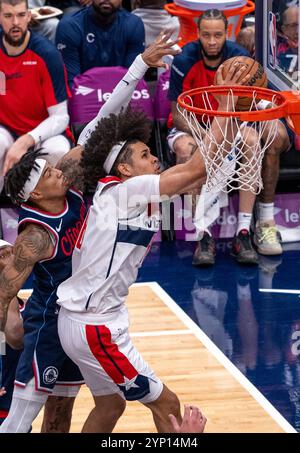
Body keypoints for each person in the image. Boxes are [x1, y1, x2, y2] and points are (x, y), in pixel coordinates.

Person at [0, 32, 182, 433]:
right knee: (19, 421)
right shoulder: (36, 232)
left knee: (69, 413)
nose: (57, 169)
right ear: (35, 192)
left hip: (78, 315)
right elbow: (5, 288)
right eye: (47, 172)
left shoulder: (74, 183)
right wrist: (11, 326)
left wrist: (140, 64)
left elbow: (104, 120)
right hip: (50, 321)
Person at [55, 62, 250, 432]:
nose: (155, 158)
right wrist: (225, 100)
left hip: (91, 320)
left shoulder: (119, 194)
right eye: (145, 155)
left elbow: (198, 170)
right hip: (94, 326)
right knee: (169, 406)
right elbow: (195, 170)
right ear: (124, 169)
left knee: (110, 406)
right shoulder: (125, 191)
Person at [168, 8, 290, 265]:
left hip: (231, 122)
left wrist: (223, 134)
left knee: (253, 142)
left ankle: (243, 233)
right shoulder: (184, 60)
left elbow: (248, 106)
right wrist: (206, 136)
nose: (212, 41)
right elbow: (177, 115)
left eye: (218, 35)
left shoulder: (240, 59)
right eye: (206, 35)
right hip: (192, 125)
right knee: (188, 151)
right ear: (197, 34)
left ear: (227, 33)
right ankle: (203, 235)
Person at [0, 240, 78, 432]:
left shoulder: (23, 304)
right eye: (3, 255)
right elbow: (16, 339)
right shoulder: (6, 305)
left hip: (12, 399)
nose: (12, 259)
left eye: (13, 253)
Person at [0, 0, 72, 193]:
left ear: (29, 16)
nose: (15, 22)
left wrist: (26, 140)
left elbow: (60, 116)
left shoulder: (47, 54)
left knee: (58, 151)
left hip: (44, 131)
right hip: (6, 128)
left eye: (21, 15)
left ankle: (55, 212)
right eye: (8, 16)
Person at [55, 0, 145, 87]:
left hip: (121, 94)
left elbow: (133, 78)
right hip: (83, 94)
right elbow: (72, 82)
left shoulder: (133, 24)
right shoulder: (70, 25)